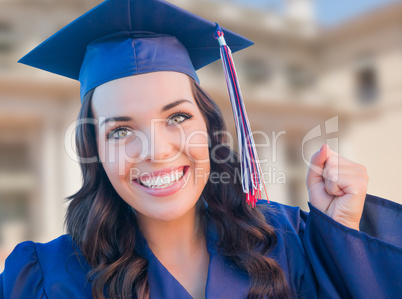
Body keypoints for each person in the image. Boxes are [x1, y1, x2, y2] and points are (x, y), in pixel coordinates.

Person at [1, 0, 401, 298]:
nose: (156, 150)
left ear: (209, 128)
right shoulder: (46, 279)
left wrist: (341, 238)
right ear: (96, 152)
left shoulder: (287, 242)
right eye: (121, 130)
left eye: (177, 117)